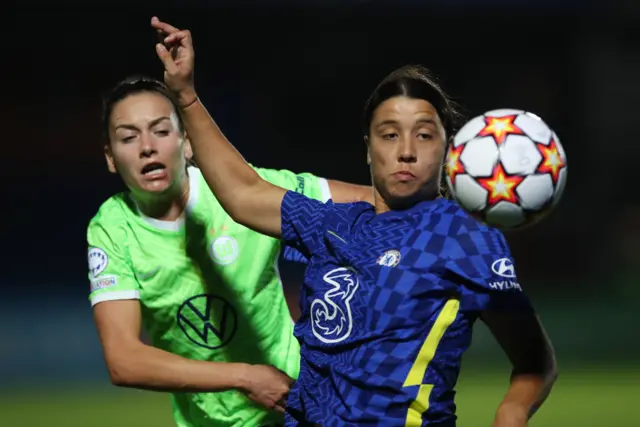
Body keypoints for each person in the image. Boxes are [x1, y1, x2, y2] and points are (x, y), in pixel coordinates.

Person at [151, 17, 557, 427]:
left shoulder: (464, 238)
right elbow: (244, 193)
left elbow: (534, 361)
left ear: (449, 149)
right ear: (368, 148)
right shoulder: (331, 224)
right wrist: (185, 97)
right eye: (389, 134)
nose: (406, 152)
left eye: (424, 135)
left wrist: (512, 410)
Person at [87, 74, 374, 427]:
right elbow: (123, 360)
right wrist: (245, 377)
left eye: (161, 131)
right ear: (110, 157)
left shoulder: (241, 193)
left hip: (300, 408)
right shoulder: (113, 228)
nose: (147, 146)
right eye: (128, 137)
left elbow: (365, 201)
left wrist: (440, 206)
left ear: (187, 142)